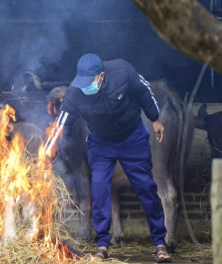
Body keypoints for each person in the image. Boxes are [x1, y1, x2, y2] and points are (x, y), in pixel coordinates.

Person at [57, 53, 172, 263]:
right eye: (81, 82)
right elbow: (62, 121)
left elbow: (144, 90)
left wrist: (155, 119)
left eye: (89, 82)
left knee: (146, 186)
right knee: (99, 187)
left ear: (101, 76)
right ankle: (102, 244)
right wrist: (50, 147)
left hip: (132, 138)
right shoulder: (76, 90)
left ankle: (160, 243)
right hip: (100, 143)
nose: (85, 87)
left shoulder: (123, 72)